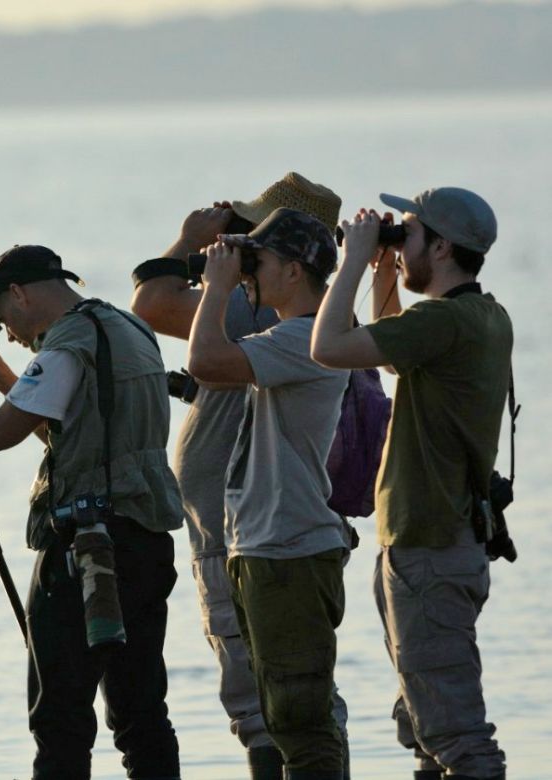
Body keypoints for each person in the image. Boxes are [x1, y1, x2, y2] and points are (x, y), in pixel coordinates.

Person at [0, 244, 183, 780]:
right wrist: (1, 378)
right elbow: (72, 430)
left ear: (19, 292)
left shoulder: (63, 348)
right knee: (141, 711)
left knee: (60, 718)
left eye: (1, 317)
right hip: (144, 540)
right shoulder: (126, 329)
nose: (6, 331)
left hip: (85, 548)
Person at [131, 172, 351, 780]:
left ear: (291, 255)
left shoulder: (254, 307)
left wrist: (187, 244)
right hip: (238, 526)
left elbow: (150, 305)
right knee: (270, 699)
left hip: (256, 531)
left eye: (253, 231)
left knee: (280, 703)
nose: (238, 237)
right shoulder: (272, 305)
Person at [311, 187, 511, 780]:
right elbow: (394, 355)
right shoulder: (481, 316)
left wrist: (351, 261)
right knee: (424, 727)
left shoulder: (444, 322)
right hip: (436, 545)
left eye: (410, 234)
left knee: (456, 736)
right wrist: (384, 269)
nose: (401, 245)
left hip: (429, 549)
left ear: (443, 246)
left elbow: (327, 348)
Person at [187, 207, 350, 780]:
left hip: (289, 550)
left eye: (261, 262)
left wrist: (217, 286)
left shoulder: (305, 339)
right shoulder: (290, 337)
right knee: (284, 720)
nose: (250, 273)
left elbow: (206, 361)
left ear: (295, 271)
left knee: (300, 722)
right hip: (267, 549)